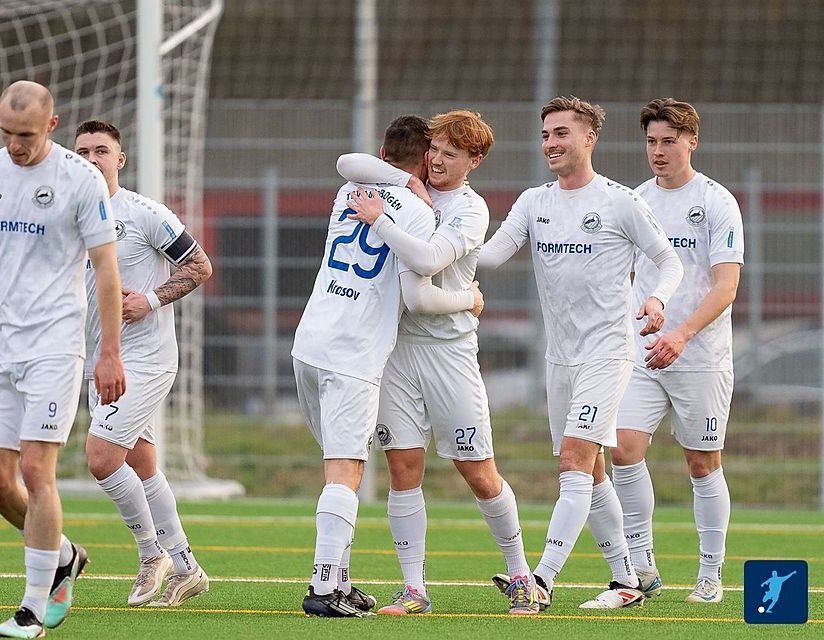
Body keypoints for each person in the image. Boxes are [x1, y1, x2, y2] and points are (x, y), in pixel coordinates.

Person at [0, 81, 126, 638]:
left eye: (26, 136)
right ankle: (61, 553)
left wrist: (108, 352)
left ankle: (35, 608)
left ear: (53, 126)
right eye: (6, 134)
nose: (15, 146)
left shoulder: (80, 179)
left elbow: (106, 271)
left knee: (37, 469)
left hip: (54, 345)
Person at [477, 96, 684, 610]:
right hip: (560, 359)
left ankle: (540, 580)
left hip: (608, 354)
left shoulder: (618, 202)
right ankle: (627, 580)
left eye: (561, 133)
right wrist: (431, 231)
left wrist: (657, 298)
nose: (551, 143)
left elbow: (669, 261)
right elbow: (487, 255)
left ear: (589, 138)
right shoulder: (533, 202)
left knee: (574, 460)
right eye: (546, 134)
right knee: (590, 472)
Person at [339, 109, 538, 616]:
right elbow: (349, 162)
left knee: (478, 472)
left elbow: (427, 263)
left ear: (475, 160)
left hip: (449, 352)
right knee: (402, 467)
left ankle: (521, 575)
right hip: (397, 348)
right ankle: (414, 589)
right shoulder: (406, 188)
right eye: (435, 150)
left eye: (451, 154)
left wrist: (381, 221)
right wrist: (402, 180)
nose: (438, 160)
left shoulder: (471, 211)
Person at [291, 114, 484, 617]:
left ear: (382, 153)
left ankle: (341, 579)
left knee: (336, 467)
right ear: (425, 160)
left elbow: (347, 161)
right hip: (353, 356)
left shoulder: (351, 189)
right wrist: (468, 298)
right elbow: (418, 298)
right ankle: (325, 587)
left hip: (308, 345)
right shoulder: (421, 215)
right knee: (345, 469)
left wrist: (395, 180)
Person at [611, 98, 744, 605]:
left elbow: (725, 285)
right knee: (623, 449)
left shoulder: (716, 201)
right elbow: (624, 276)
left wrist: (682, 334)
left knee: (702, 463)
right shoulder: (635, 199)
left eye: (669, 141)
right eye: (651, 142)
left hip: (699, 354)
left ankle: (710, 574)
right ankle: (642, 564)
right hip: (644, 351)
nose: (659, 151)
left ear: (692, 141)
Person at [75, 120, 213, 607]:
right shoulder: (69, 217)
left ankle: (151, 554)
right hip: (101, 358)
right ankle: (187, 567)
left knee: (100, 457)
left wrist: (150, 300)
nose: (91, 159)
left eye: (101, 151)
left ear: (120, 159)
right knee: (142, 463)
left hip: (147, 358)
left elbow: (199, 265)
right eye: (82, 152)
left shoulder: (145, 214)